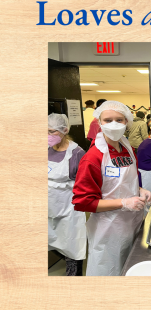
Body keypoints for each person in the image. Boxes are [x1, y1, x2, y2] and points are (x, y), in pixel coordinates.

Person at [72, 101, 151, 276]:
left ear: (127, 122)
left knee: (132, 268)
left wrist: (139, 190)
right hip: (109, 228)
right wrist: (123, 202)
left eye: (119, 119)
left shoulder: (128, 149)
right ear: (99, 122)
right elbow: (82, 202)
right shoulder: (92, 157)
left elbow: (121, 181)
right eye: (108, 120)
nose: (114, 124)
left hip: (133, 222)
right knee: (110, 272)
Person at [48, 114, 87, 276]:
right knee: (51, 240)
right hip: (49, 208)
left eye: (52, 132)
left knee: (72, 246)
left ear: (64, 130)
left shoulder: (77, 153)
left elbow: (86, 182)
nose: (48, 136)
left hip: (69, 210)